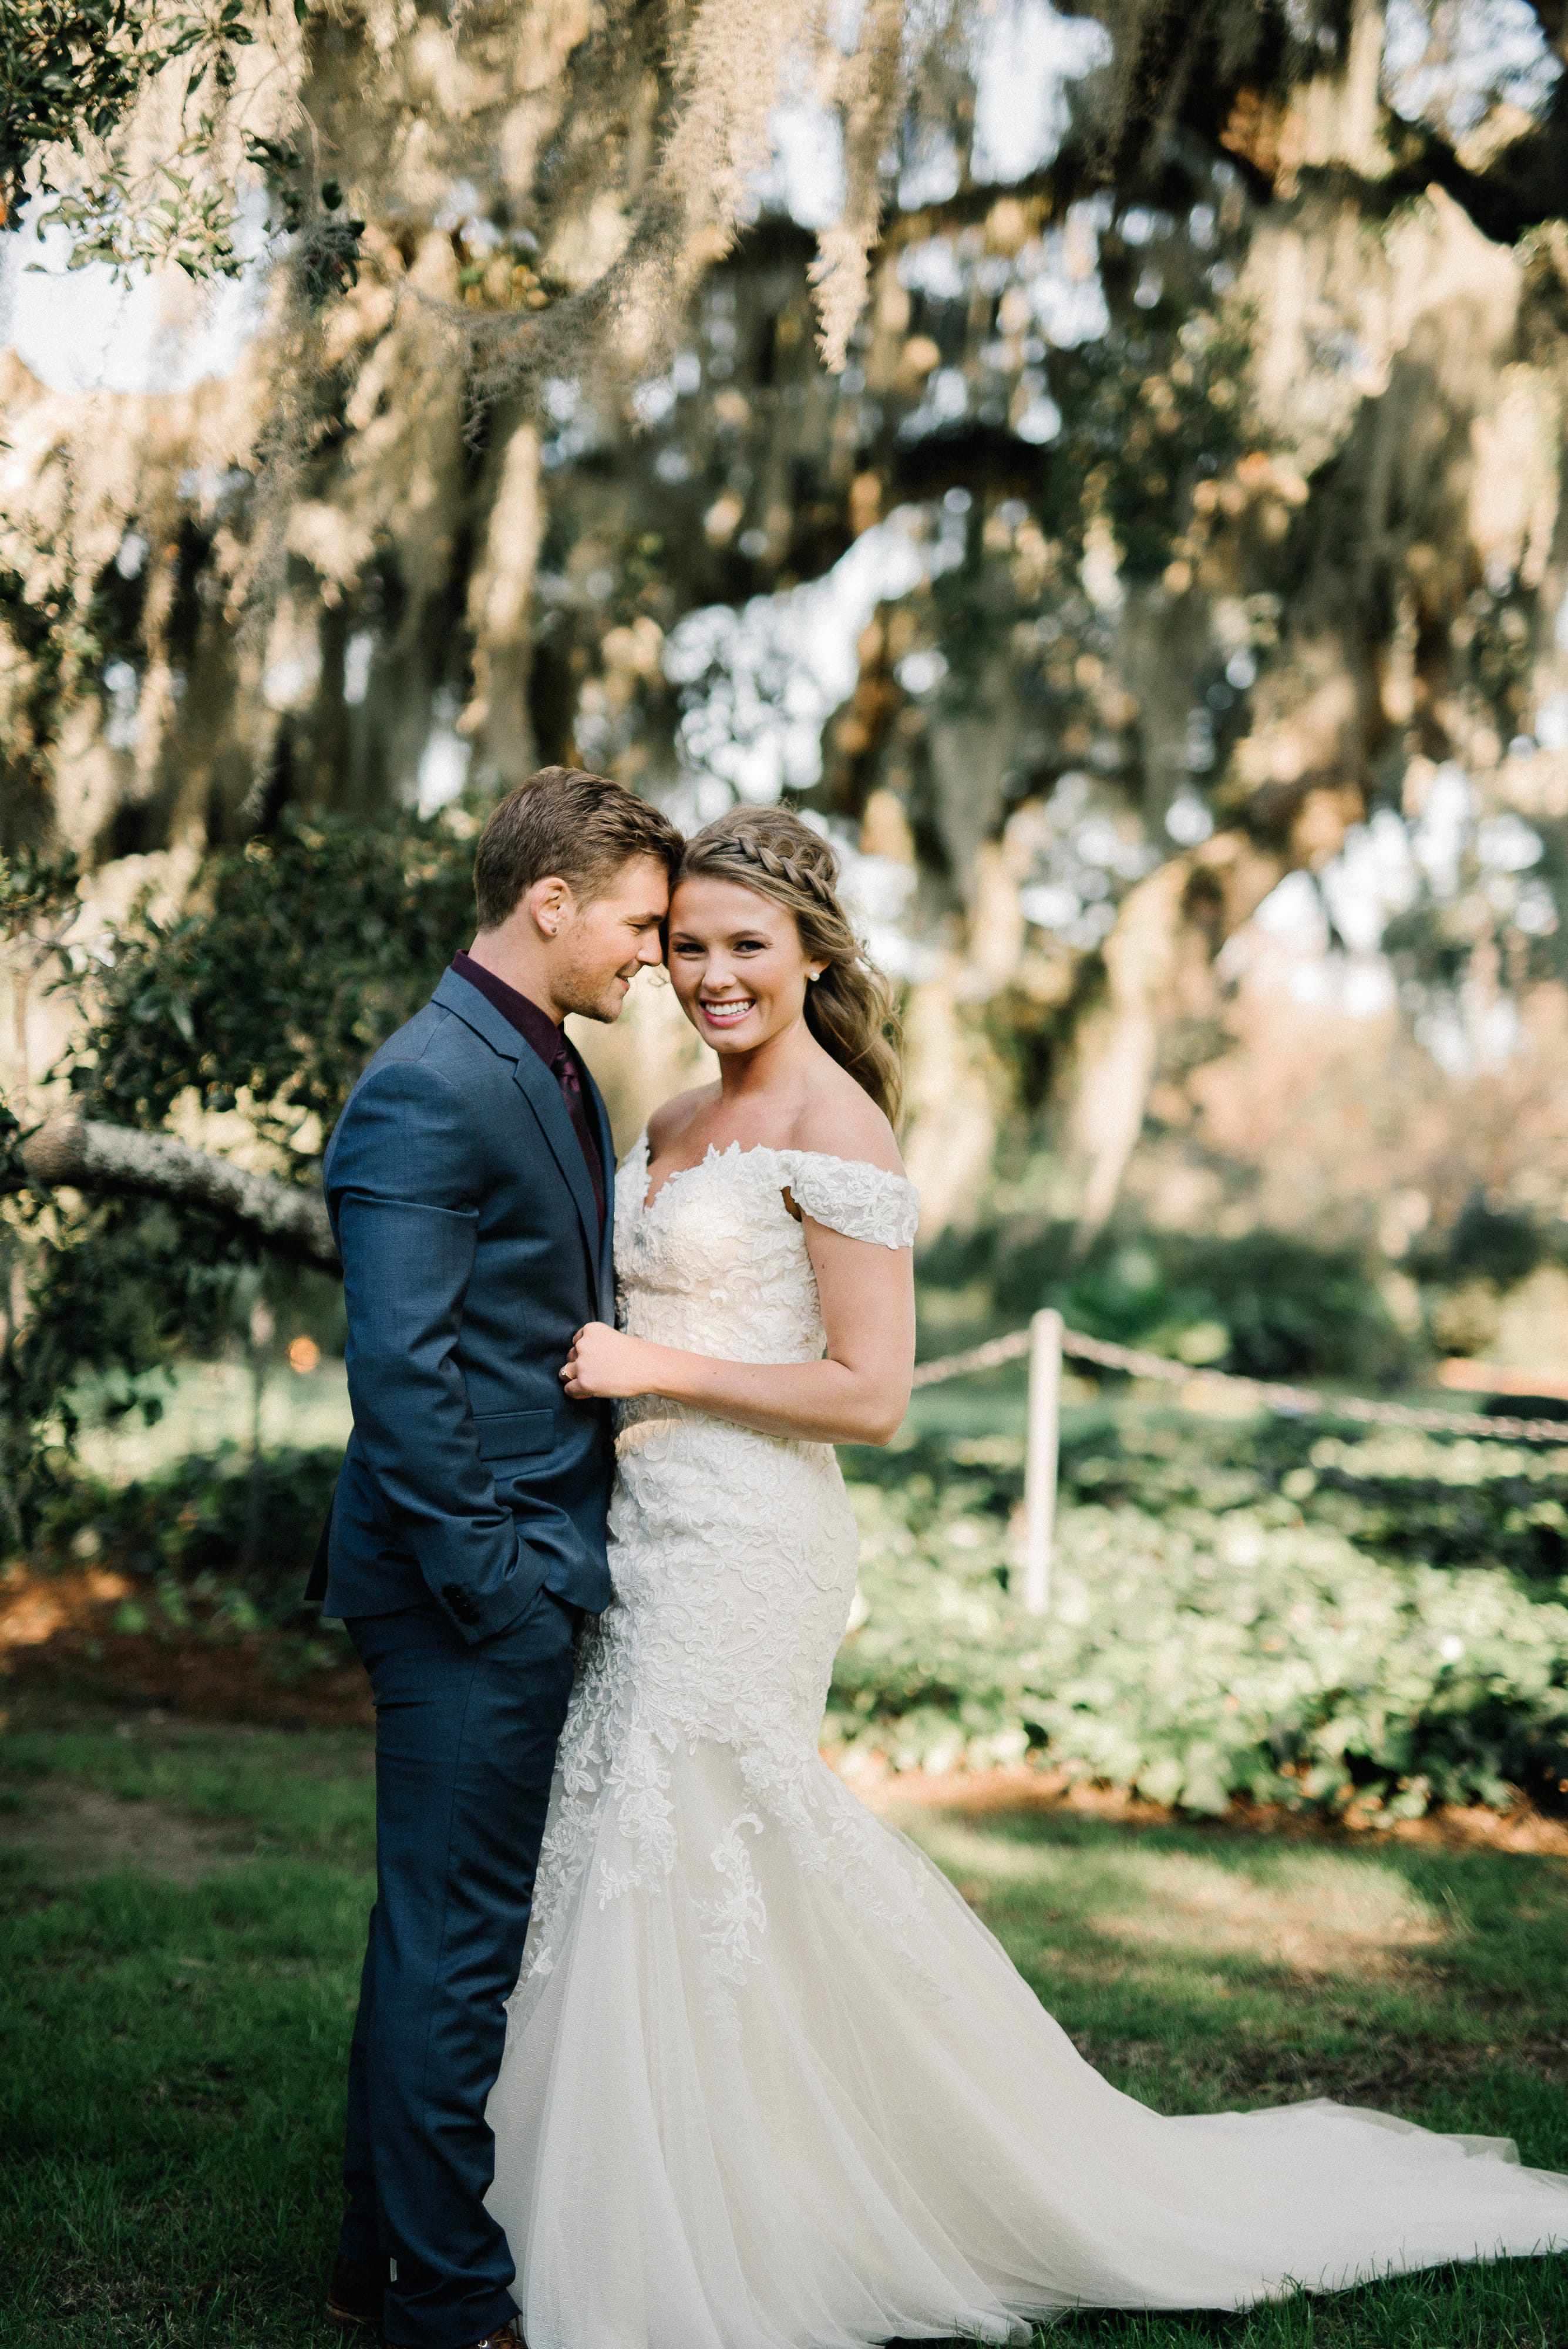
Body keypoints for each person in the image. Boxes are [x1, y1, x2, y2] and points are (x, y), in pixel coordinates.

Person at [483, 802, 1567, 2349]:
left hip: (751, 1544)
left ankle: (742, 2222)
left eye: (747, 945)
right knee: (636, 1839)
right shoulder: (665, 1120)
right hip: (639, 1531)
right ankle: (649, 2184)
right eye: (688, 944)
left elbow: (873, 1393)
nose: (713, 974)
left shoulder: (841, 1130)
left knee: (693, 1828)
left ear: (812, 954)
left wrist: (651, 1365)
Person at [309, 766, 682, 2349]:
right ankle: (450, 2300)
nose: (654, 956)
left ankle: (374, 2255)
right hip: (468, 1582)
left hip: (511, 1563)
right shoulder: (429, 1082)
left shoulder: (535, 1054)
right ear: (551, 902)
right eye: (640, 925)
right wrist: (500, 1589)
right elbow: (403, 1377)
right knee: (457, 1946)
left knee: (438, 1930)